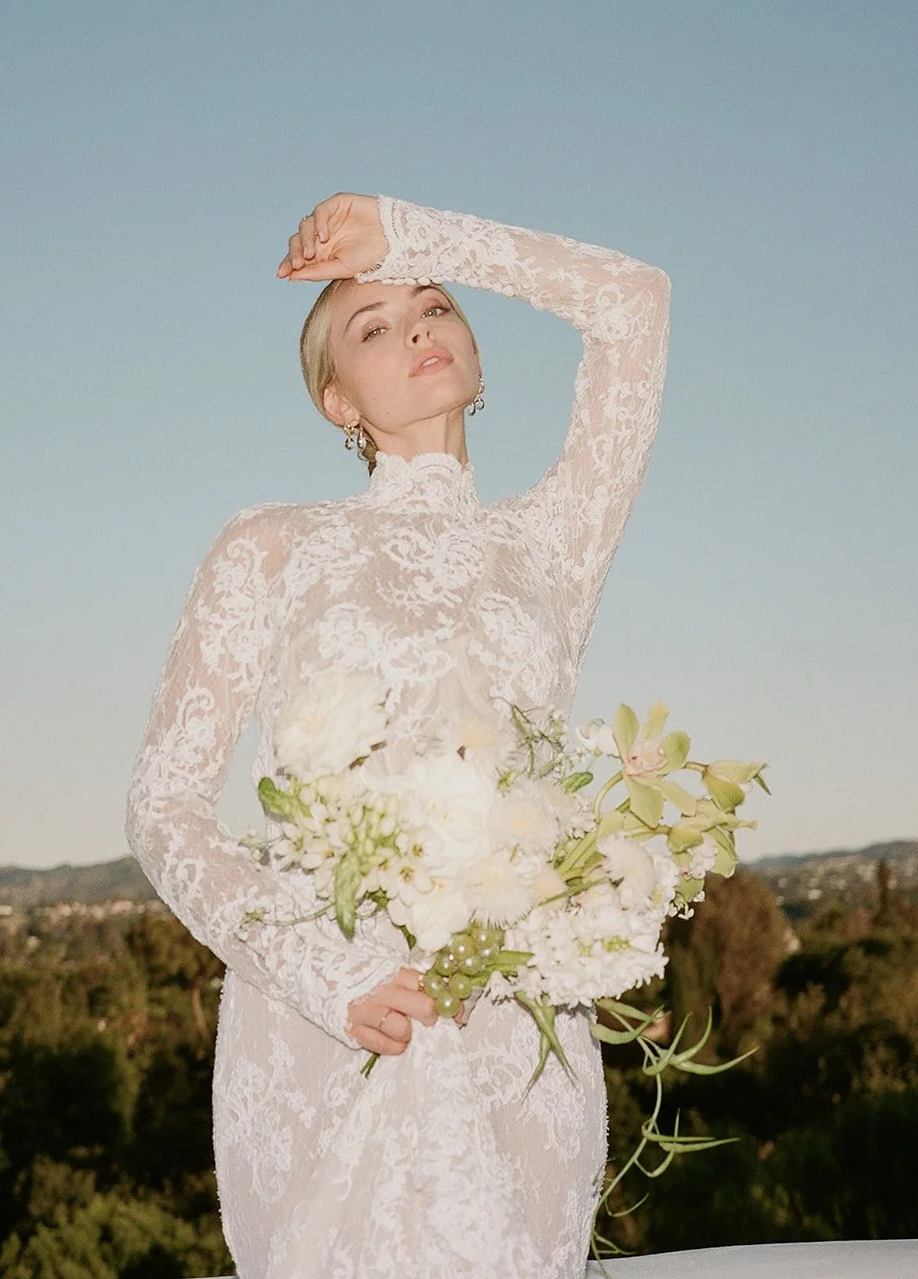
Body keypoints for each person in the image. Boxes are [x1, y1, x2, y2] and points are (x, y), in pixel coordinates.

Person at [125, 191, 671, 1279]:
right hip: (336, 1022)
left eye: (434, 307)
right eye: (373, 327)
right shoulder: (271, 548)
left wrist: (406, 231)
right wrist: (329, 972)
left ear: (472, 347)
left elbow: (634, 303)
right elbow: (164, 808)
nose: (418, 326)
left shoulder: (549, 545)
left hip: (515, 1019)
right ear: (337, 401)